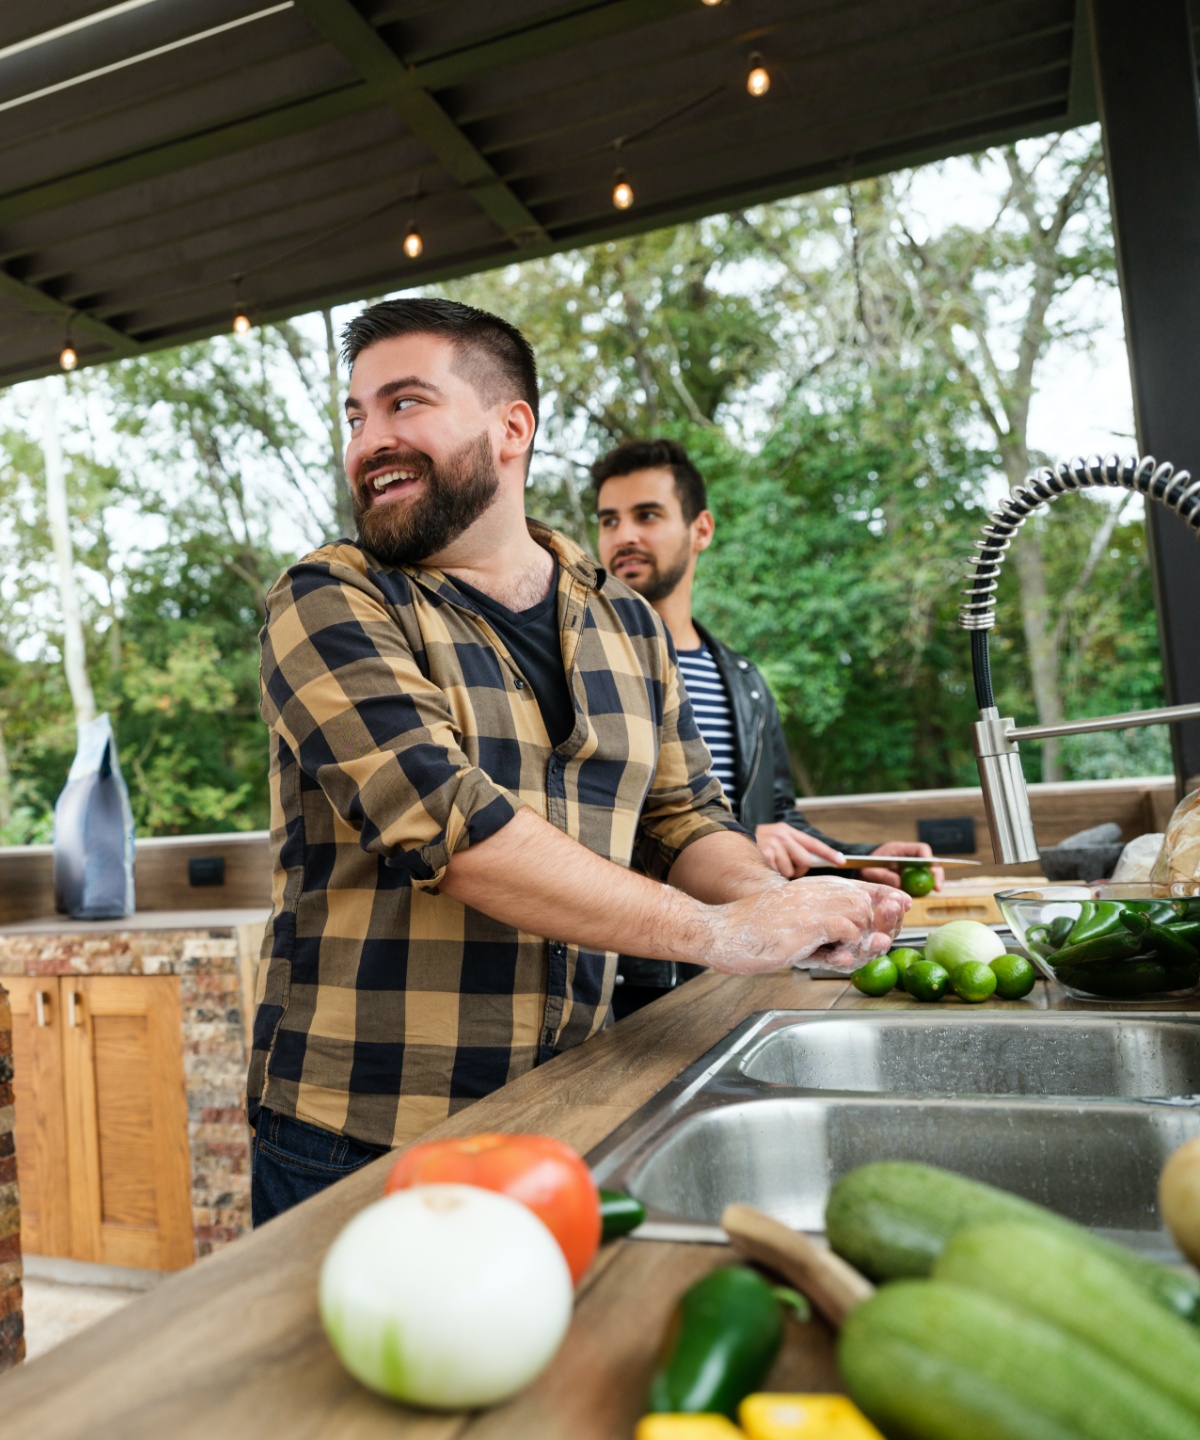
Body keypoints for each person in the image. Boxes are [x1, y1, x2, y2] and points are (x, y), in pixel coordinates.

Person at [248, 299, 908, 1223]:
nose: (369, 440)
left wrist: (779, 904)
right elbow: (453, 831)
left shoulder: (627, 622)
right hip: (362, 1131)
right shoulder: (328, 599)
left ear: (510, 426)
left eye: (404, 405)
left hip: (571, 1101)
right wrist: (721, 934)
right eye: (356, 416)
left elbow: (684, 820)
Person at [592, 438, 938, 1017]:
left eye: (647, 515)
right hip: (631, 978)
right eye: (609, 520)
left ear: (701, 529)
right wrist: (749, 843)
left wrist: (852, 860)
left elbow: (777, 817)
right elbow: (577, 830)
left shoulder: (745, 681)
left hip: (743, 971)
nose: (624, 535)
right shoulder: (585, 670)